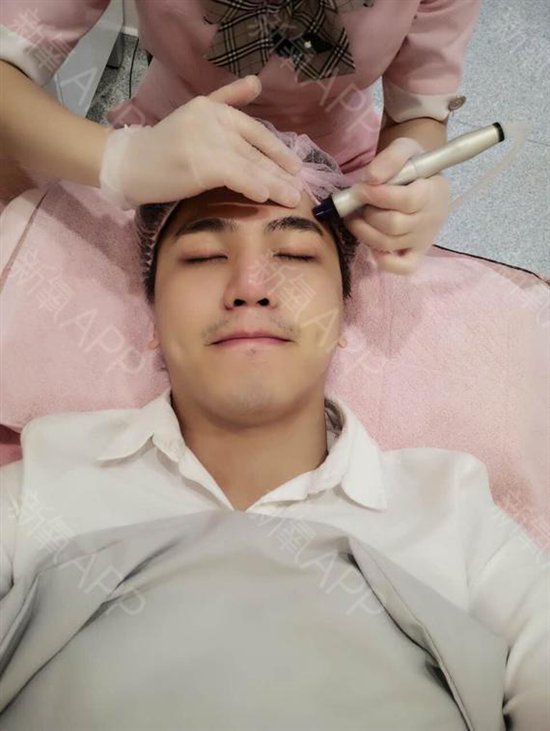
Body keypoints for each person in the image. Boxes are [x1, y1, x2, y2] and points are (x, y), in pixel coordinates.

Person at [0, 123, 547, 730]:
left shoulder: (453, 512)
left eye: (294, 255)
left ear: (343, 319)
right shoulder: (43, 486)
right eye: (205, 256)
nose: (251, 287)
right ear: (152, 319)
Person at [0, 0, 481, 275]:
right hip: (165, 146)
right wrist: (120, 162)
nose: (251, 290)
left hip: (345, 170)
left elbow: (416, 116)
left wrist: (414, 169)